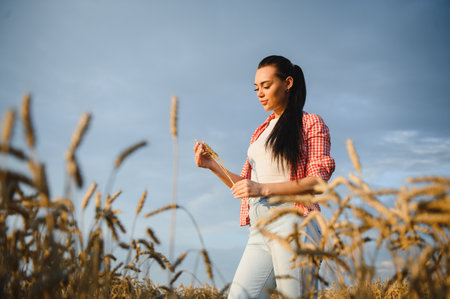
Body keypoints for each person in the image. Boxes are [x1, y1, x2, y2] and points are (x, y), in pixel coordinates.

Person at [194, 55, 335, 299]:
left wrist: (262, 189)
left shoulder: (310, 123)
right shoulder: (260, 132)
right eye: (256, 88)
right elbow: (248, 187)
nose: (260, 93)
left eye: (266, 86)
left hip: (294, 223)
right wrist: (212, 165)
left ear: (288, 83)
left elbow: (317, 182)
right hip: (259, 230)